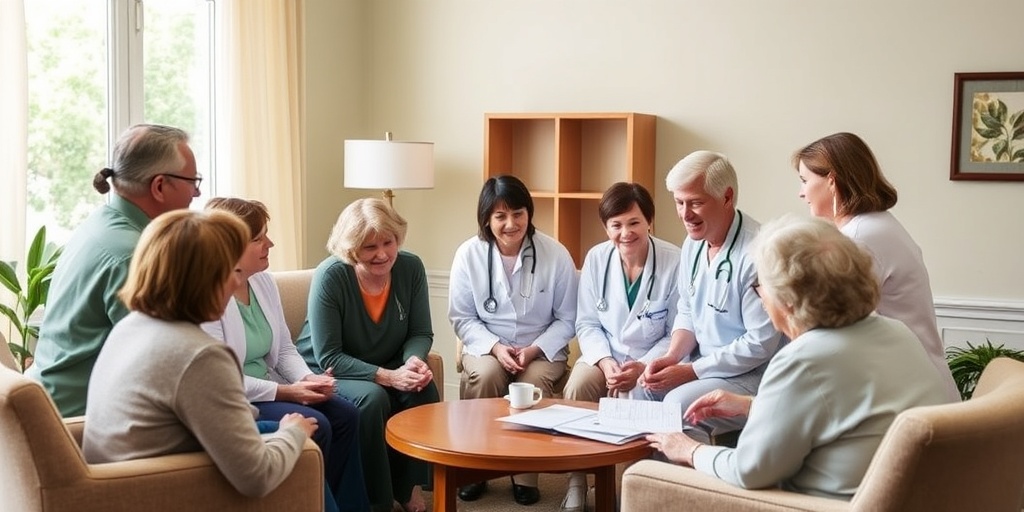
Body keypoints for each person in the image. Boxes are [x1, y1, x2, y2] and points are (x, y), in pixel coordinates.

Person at [646, 214, 952, 500]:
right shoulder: (898, 332)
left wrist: (688, 449)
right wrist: (750, 405)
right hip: (912, 500)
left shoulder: (803, 360)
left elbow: (749, 470)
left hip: (818, 505)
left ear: (789, 301)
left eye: (760, 288)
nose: (762, 297)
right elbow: (849, 415)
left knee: (645, 479)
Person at [83, 209, 319, 500]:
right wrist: (293, 433)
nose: (236, 283)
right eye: (231, 272)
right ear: (203, 279)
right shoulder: (200, 355)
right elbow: (257, 477)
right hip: (163, 491)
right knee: (304, 443)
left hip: (118, 486)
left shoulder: (130, 326)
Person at [201, 197, 369, 512]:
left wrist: (309, 379)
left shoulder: (263, 282)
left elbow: (285, 350)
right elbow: (223, 381)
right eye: (258, 238)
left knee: (347, 415)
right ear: (229, 245)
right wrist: (289, 391)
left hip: (272, 388)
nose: (270, 243)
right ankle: (307, 503)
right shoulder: (208, 297)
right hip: (239, 399)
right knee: (318, 422)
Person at [28, 124, 200, 416]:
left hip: (56, 405)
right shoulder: (132, 255)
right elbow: (163, 363)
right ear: (159, 186)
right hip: (82, 422)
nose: (196, 192)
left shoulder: (101, 224)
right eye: (193, 180)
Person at [792, 132, 959, 401]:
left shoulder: (860, 238)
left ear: (832, 181)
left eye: (805, 180)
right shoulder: (877, 224)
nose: (801, 192)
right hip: (917, 382)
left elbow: (835, 326)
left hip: (911, 394)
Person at [296, 198, 438, 512]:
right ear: (350, 248)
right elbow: (329, 355)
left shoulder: (411, 267)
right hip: (332, 370)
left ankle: (408, 487)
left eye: (388, 242)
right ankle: (377, 498)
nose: (382, 254)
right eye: (369, 247)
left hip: (389, 362)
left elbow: (420, 332)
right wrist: (389, 376)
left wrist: (413, 362)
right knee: (373, 399)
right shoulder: (331, 276)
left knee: (422, 387)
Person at [448, 175, 578, 506]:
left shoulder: (555, 253)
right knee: (488, 374)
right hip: (487, 345)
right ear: (487, 219)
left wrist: (534, 349)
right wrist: (495, 347)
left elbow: (568, 318)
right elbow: (462, 317)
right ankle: (475, 468)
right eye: (500, 216)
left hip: (542, 348)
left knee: (531, 381)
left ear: (529, 213)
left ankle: (525, 473)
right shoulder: (469, 254)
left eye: (518, 213)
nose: (511, 224)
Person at [642, 150, 782, 443]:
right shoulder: (694, 244)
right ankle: (644, 483)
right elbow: (688, 310)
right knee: (642, 387)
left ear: (727, 197)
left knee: (678, 407)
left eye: (695, 203)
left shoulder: (758, 252)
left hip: (750, 374)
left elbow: (760, 343)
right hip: (705, 364)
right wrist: (671, 357)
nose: (685, 214)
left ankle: (689, 487)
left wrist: (691, 371)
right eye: (679, 203)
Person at [559, 182, 681, 512]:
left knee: (635, 398)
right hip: (604, 353)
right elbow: (586, 322)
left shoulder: (674, 261)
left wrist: (642, 366)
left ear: (649, 222)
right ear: (606, 227)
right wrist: (604, 362)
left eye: (633, 222)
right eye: (616, 225)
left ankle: (626, 489)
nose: (625, 233)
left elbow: (675, 332)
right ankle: (577, 481)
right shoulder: (596, 259)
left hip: (651, 360)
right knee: (579, 385)